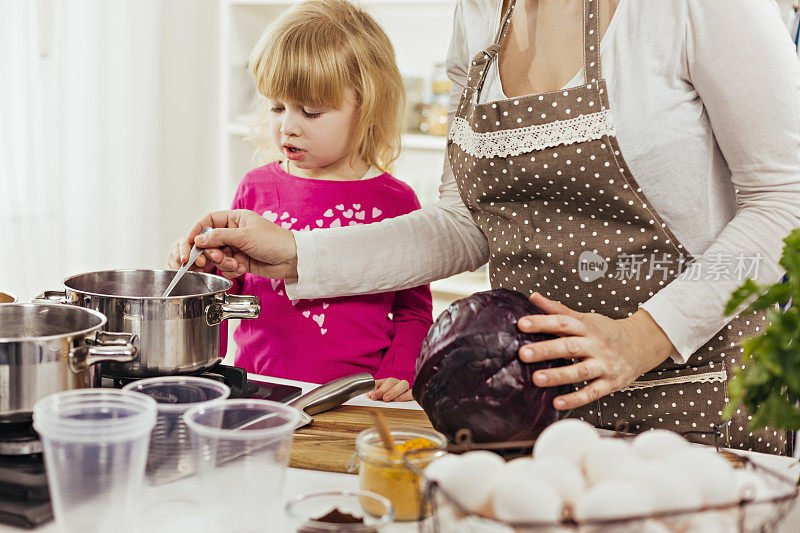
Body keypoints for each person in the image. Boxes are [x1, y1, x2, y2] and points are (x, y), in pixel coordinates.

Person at [178, 0, 800, 454]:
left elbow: (785, 203)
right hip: (528, 410)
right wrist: (291, 253)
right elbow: (465, 223)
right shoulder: (478, 13)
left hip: (696, 400)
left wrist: (641, 337)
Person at [167, 0, 432, 402]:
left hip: (355, 397)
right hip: (259, 390)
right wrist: (197, 274)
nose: (288, 126)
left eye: (310, 111)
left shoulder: (395, 201)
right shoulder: (254, 188)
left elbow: (413, 312)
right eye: (276, 107)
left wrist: (399, 369)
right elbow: (225, 295)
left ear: (366, 107)